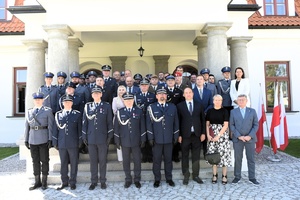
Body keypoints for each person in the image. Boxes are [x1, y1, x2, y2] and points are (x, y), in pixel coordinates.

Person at [146, 87, 179, 188]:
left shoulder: (172, 107)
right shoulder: (151, 107)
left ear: (166, 96)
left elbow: (176, 123)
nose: (162, 96)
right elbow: (149, 124)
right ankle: (157, 179)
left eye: (164, 94)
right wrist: (150, 137)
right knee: (157, 160)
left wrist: (176, 135)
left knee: (168, 160)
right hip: (157, 139)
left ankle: (169, 178)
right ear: (156, 96)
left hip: (169, 138)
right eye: (160, 94)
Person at [82, 86, 113, 190]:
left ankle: (103, 181)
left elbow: (109, 122)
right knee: (93, 161)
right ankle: (93, 181)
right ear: (92, 95)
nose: (96, 95)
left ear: (101, 94)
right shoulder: (87, 106)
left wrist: (109, 136)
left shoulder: (106, 106)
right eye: (94, 93)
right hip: (91, 138)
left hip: (103, 138)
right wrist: (84, 136)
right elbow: (84, 123)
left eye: (98, 93)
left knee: (103, 160)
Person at [114, 93, 146, 188]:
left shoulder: (139, 111)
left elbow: (142, 126)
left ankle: (137, 179)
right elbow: (116, 127)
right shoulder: (120, 112)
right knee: (126, 161)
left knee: (137, 160)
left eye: (130, 100)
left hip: (136, 140)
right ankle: (128, 179)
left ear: (133, 101)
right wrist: (117, 140)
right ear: (124, 101)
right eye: (126, 100)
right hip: (124, 140)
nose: (128, 102)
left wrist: (143, 139)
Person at [24, 92, 54, 190]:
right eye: (36, 99)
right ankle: (37, 181)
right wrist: (26, 139)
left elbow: (50, 126)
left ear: (42, 100)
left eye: (39, 99)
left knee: (44, 160)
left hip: (43, 138)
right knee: (35, 161)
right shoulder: (29, 112)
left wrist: (50, 139)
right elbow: (27, 127)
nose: (38, 101)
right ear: (34, 100)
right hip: (32, 139)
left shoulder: (47, 111)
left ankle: (44, 181)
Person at [52, 95, 82, 190]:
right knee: (63, 163)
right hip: (62, 143)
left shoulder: (77, 114)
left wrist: (80, 141)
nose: (67, 103)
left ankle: (73, 181)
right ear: (63, 103)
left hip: (73, 143)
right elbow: (55, 130)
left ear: (72, 103)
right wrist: (55, 142)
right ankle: (64, 181)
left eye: (69, 102)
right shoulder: (58, 115)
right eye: (65, 102)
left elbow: (79, 129)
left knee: (74, 163)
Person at [177, 87, 206, 185]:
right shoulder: (179, 106)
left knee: (196, 156)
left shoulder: (199, 105)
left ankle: (196, 175)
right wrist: (179, 135)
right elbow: (178, 122)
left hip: (197, 135)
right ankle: (186, 175)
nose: (188, 94)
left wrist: (203, 133)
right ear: (183, 95)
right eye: (186, 93)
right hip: (185, 135)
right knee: (184, 156)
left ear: (193, 94)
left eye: (190, 92)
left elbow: (203, 120)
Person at [230, 94, 259, 185]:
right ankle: (237, 176)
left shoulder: (252, 111)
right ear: (237, 101)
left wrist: (250, 136)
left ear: (246, 101)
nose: (241, 101)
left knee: (251, 158)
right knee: (238, 158)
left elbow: (256, 125)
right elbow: (232, 125)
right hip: (238, 139)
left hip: (250, 139)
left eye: (243, 100)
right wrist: (239, 136)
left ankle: (252, 177)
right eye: (239, 100)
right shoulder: (233, 112)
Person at [206, 94, 231, 185]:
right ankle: (214, 175)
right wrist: (208, 135)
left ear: (221, 101)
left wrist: (219, 135)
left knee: (224, 156)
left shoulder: (225, 111)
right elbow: (207, 124)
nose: (217, 101)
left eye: (219, 100)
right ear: (213, 101)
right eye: (216, 100)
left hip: (222, 135)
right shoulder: (209, 111)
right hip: (212, 135)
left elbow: (226, 125)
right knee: (213, 157)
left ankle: (224, 176)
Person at [134, 78, 156, 163]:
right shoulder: (136, 96)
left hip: (150, 119)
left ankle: (150, 156)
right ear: (140, 86)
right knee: (142, 137)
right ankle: (143, 156)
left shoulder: (152, 95)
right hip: (140, 119)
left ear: (148, 86)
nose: (144, 86)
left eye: (146, 85)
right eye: (142, 85)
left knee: (150, 137)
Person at [165, 75, 184, 162]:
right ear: (166, 82)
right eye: (169, 81)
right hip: (166, 117)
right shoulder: (163, 92)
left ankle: (175, 155)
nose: (170, 82)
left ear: (174, 81)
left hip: (177, 116)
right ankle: (168, 155)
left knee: (176, 135)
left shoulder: (179, 91)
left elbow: (182, 104)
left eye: (172, 80)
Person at [112, 85, 126, 162]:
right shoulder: (115, 99)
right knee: (119, 138)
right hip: (118, 120)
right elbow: (114, 110)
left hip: (127, 121)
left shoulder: (128, 98)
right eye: (120, 90)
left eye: (123, 89)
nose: (121, 91)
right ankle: (120, 158)